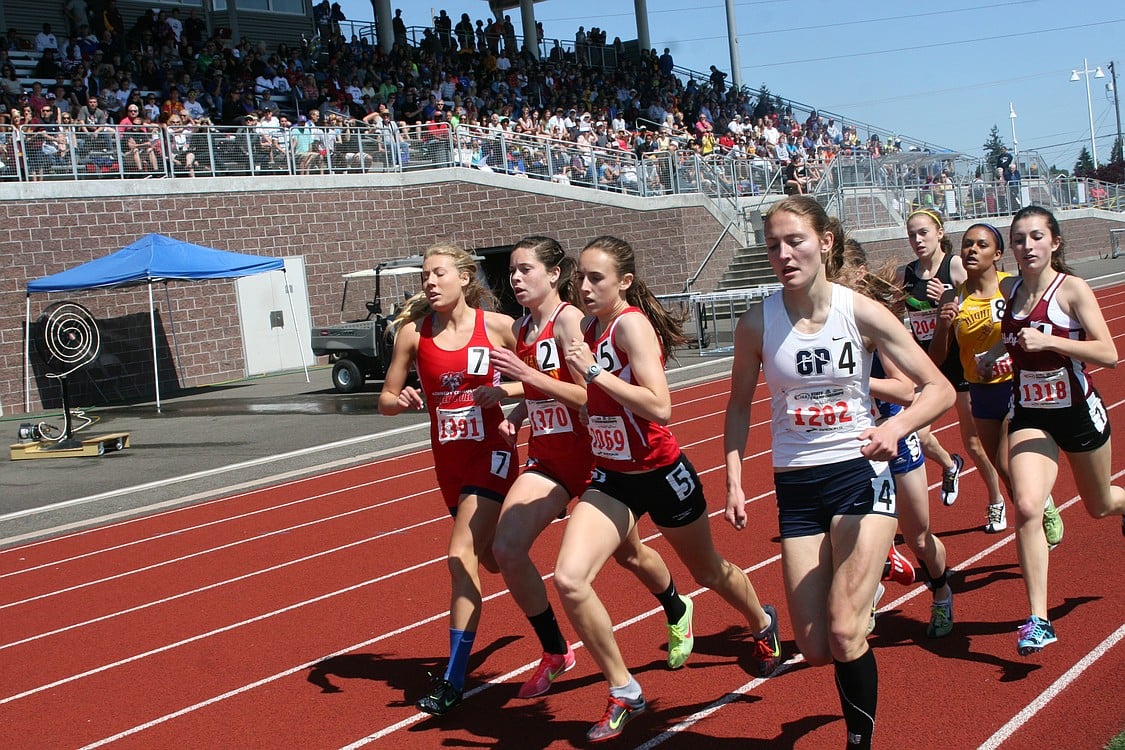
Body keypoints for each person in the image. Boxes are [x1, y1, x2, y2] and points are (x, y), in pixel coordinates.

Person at [724, 197, 955, 750]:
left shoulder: (864, 313)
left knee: (848, 631)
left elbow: (937, 389)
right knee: (815, 645)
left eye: (796, 240)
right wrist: (733, 477)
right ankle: (874, 569)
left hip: (859, 473)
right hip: (797, 485)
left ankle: (859, 741)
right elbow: (736, 407)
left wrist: (896, 431)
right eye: (773, 244)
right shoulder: (757, 322)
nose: (784, 253)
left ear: (825, 242)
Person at [554, 235, 781, 743]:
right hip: (613, 476)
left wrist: (592, 370)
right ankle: (625, 689)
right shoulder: (586, 329)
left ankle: (760, 622)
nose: (585, 287)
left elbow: (660, 407)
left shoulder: (629, 325)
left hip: (661, 473)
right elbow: (592, 402)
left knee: (709, 571)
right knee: (569, 578)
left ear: (624, 283)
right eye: (580, 278)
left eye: (597, 278)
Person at [377, 244, 519, 715]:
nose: (429, 283)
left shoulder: (497, 327)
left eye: (438, 274)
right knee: (494, 559)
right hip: (450, 463)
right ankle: (513, 548)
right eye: (424, 276)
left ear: (463, 277)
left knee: (459, 556)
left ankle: (453, 679)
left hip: (492, 454)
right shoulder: (413, 336)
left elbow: (543, 378)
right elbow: (385, 399)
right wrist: (404, 400)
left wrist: (507, 401)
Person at [999, 206, 1125, 655]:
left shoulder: (1072, 289)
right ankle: (1038, 619)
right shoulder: (1009, 289)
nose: (1027, 245)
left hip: (1077, 412)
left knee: (1100, 503)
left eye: (1036, 237)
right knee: (1029, 505)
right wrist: (995, 352)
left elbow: (1108, 353)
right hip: (1032, 415)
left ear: (1054, 243)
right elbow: (1013, 334)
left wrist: (1051, 340)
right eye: (1018, 239)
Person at [833, 239, 955, 640]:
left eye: (840, 276)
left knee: (919, 537)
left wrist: (857, 381)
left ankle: (940, 591)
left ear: (859, 276)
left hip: (894, 436)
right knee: (847, 534)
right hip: (851, 444)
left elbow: (907, 390)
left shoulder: (880, 322)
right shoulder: (823, 324)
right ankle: (869, 591)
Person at [930, 224, 1020, 533]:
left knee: (1009, 464)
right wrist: (943, 325)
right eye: (967, 244)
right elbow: (937, 358)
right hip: (981, 392)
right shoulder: (953, 297)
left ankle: (1037, 513)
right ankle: (1027, 506)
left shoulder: (1011, 287)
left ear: (996, 254)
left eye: (981, 245)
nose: (971, 249)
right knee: (1001, 468)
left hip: (1016, 386)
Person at [896, 209, 970, 505]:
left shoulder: (955, 267)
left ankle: (996, 501)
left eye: (923, 232)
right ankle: (951, 465)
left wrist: (948, 301)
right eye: (912, 234)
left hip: (960, 362)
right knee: (917, 433)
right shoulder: (906, 274)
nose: (917, 239)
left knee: (976, 443)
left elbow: (977, 314)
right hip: (926, 367)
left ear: (940, 232)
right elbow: (893, 317)